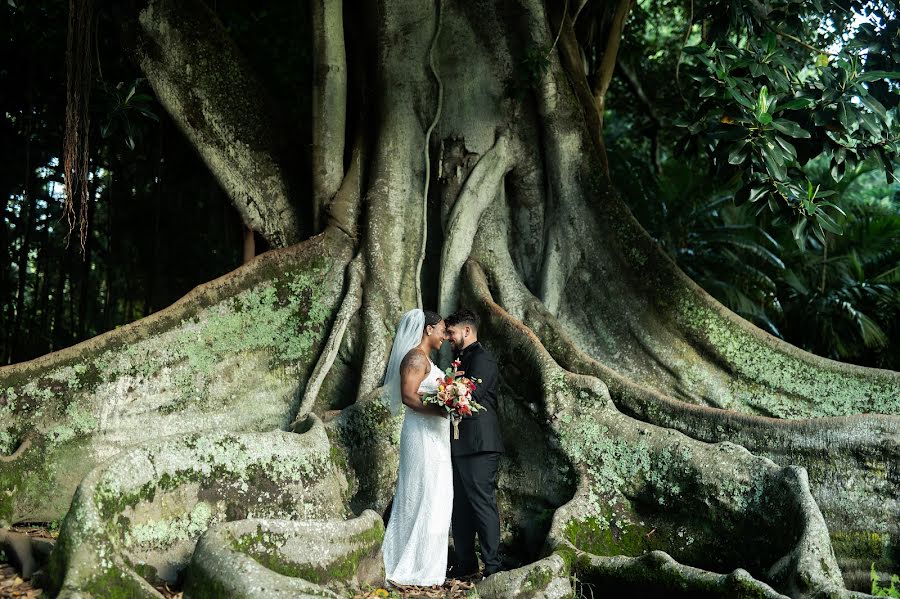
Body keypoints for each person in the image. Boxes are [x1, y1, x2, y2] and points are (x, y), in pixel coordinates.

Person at [381, 308, 452, 586]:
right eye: (442, 330)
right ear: (428, 329)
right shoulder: (414, 358)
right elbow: (409, 397)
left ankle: (428, 566)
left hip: (436, 438)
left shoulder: (426, 360)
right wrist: (443, 409)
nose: (445, 336)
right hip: (421, 437)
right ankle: (410, 565)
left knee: (438, 495)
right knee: (423, 494)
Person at [444, 308, 504, 580]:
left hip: (480, 444)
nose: (448, 337)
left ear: (466, 331)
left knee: (482, 503)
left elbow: (470, 395)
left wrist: (446, 389)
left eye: (451, 332)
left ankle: (493, 567)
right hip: (460, 445)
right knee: (461, 506)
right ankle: (466, 563)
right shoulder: (460, 359)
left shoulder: (483, 360)